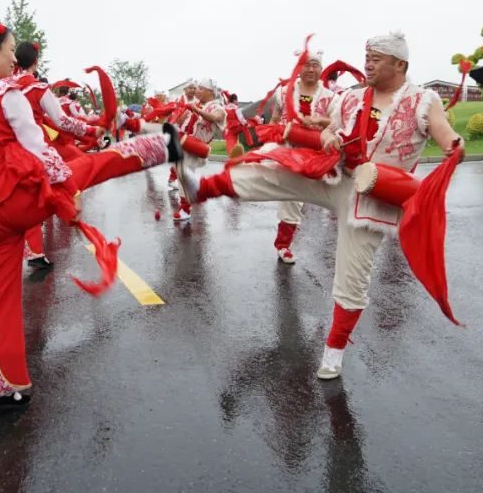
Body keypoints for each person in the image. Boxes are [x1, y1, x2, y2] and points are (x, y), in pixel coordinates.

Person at [178, 31, 464, 380]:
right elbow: (335, 129)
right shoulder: (351, 98)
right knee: (270, 166)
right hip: (335, 175)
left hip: (374, 198)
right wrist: (326, 132)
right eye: (367, 56)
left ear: (400, 64)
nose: (368, 63)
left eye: (376, 58)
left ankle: (334, 350)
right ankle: (202, 189)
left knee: (352, 277)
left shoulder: (423, 100)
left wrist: (454, 145)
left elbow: (444, 132)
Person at [0, 21, 181, 412]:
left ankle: (1, 385)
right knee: (88, 167)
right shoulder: (9, 94)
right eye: (7, 51)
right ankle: (161, 145)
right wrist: (64, 195)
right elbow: (41, 149)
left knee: (2, 294)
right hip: (14, 196)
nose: (11, 60)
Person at [13, 41, 106, 265]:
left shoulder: (7, 85)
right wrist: (91, 130)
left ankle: (33, 249)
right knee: (65, 182)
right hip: (37, 149)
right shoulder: (37, 88)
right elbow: (61, 121)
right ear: (36, 61)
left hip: (12, 150)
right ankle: (35, 246)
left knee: (30, 196)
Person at [268, 49, 336, 263]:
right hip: (286, 151)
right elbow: (275, 117)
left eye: (315, 65)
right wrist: (274, 133)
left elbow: (337, 121)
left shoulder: (330, 97)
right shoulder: (284, 92)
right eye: (306, 64)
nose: (311, 69)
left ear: (321, 69)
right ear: (299, 67)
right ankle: (283, 244)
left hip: (314, 153)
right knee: (289, 198)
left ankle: (285, 245)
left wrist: (317, 121)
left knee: (304, 198)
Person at [172, 77, 227, 222]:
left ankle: (186, 208)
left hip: (198, 149)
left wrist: (195, 109)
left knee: (182, 171)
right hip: (186, 143)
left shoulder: (218, 108)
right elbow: (180, 121)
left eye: (201, 89)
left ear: (210, 91)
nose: (197, 91)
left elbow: (215, 117)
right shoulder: (196, 104)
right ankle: (197, 190)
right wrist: (179, 114)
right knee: (180, 171)